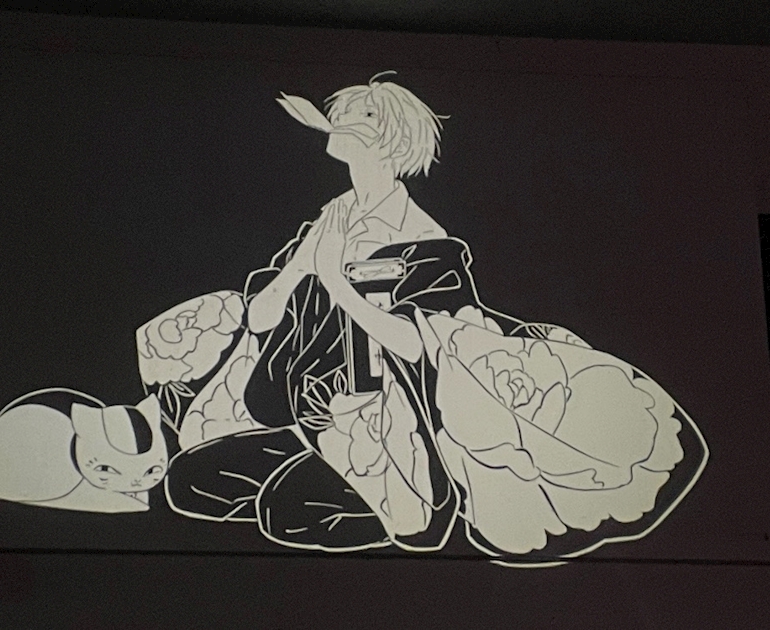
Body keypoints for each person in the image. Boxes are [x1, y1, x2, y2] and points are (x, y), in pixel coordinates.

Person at [161, 74, 708, 560]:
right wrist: (299, 269)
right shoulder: (332, 216)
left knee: (285, 513)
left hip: (382, 429)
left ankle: (413, 505)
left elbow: (422, 345)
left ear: (393, 139)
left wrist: (337, 282)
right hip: (307, 417)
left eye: (363, 113)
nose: (343, 118)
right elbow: (260, 320)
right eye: (344, 110)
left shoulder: (424, 239)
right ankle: (318, 473)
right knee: (189, 483)